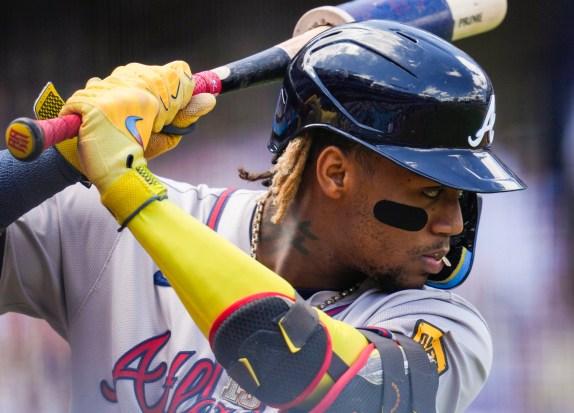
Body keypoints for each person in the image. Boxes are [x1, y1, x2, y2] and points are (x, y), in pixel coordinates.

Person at [0, 20, 525, 412]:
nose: (454, 223)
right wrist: (64, 161)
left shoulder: (445, 328)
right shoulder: (109, 232)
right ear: (335, 173)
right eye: (431, 192)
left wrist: (133, 193)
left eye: (461, 194)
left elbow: (300, 361)